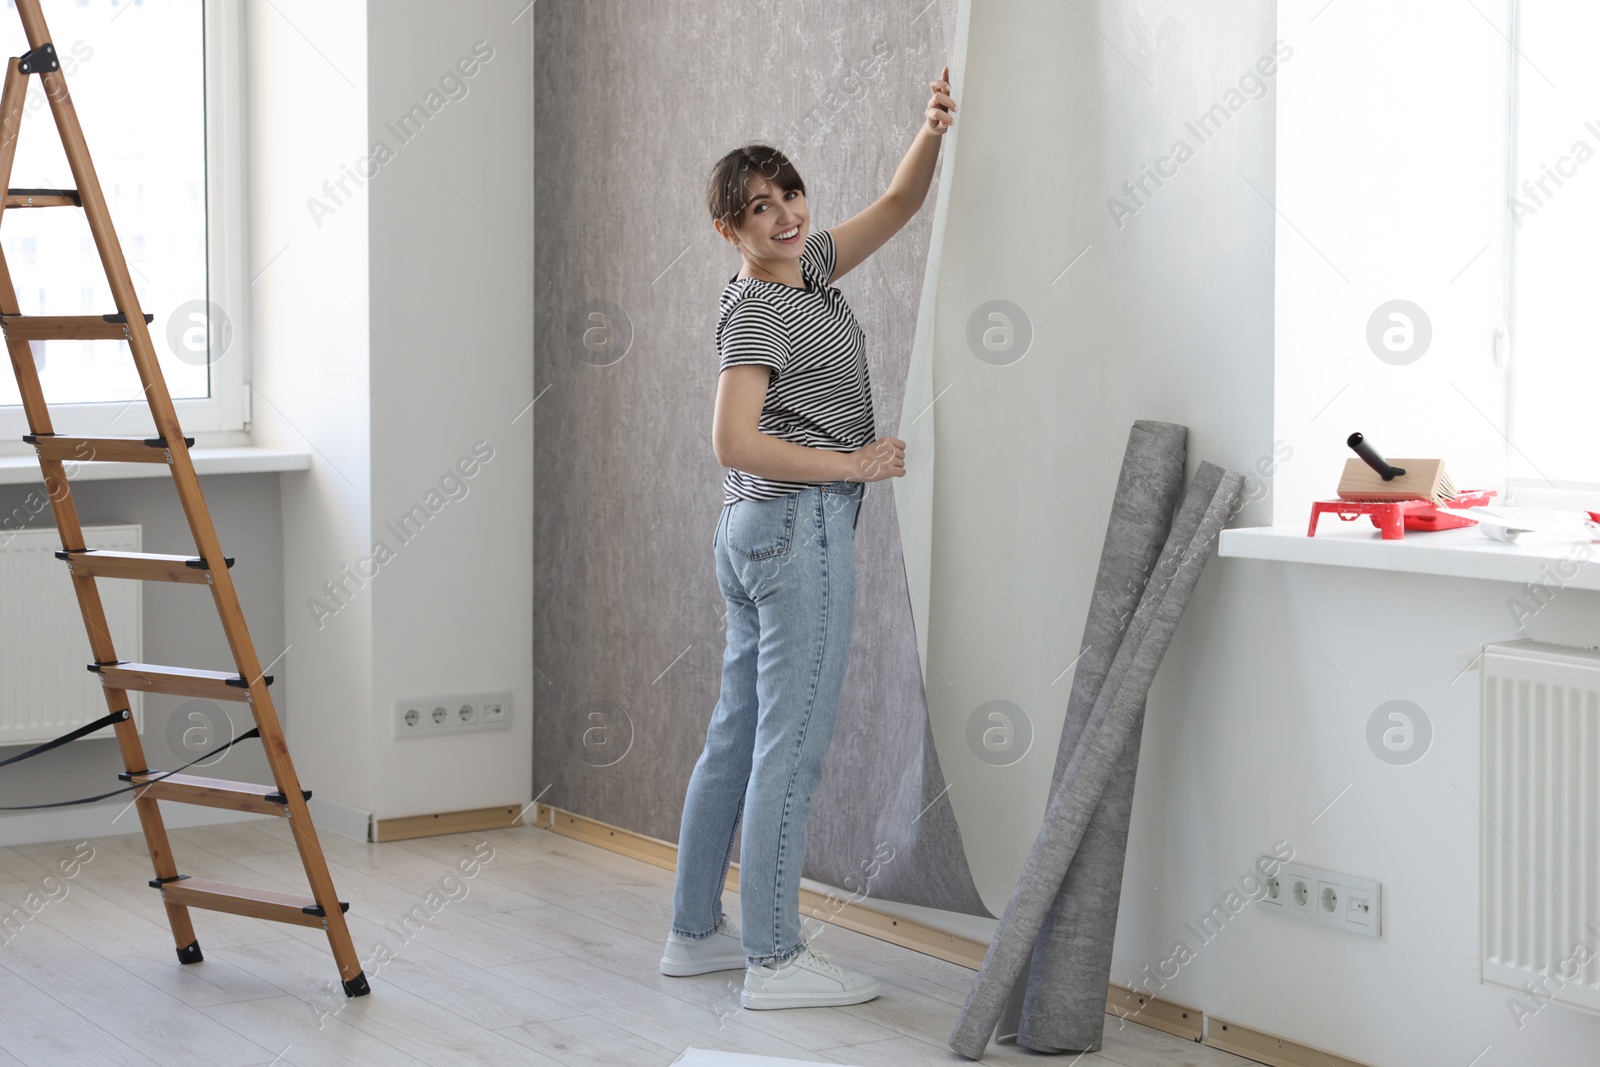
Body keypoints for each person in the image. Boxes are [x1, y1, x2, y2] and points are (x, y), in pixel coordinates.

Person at [660, 66, 959, 1010]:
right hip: (797, 528)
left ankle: (696, 934)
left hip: (757, 536)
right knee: (791, 746)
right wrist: (855, 464)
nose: (782, 213)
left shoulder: (811, 269)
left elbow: (901, 202)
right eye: (757, 207)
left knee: (739, 734)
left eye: (787, 192)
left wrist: (933, 126)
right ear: (729, 231)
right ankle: (778, 960)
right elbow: (732, 441)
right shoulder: (755, 306)